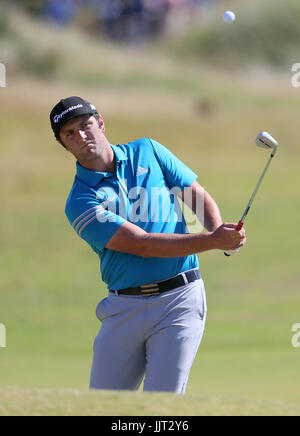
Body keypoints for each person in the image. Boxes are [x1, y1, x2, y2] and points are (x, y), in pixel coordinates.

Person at [50, 96, 246, 393]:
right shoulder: (79, 201)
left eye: (85, 125)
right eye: (69, 133)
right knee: (103, 406)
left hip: (180, 298)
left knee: (162, 406)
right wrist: (212, 241)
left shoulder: (148, 151)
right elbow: (141, 244)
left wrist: (219, 231)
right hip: (123, 306)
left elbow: (195, 195)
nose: (81, 135)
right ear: (64, 145)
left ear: (100, 123)